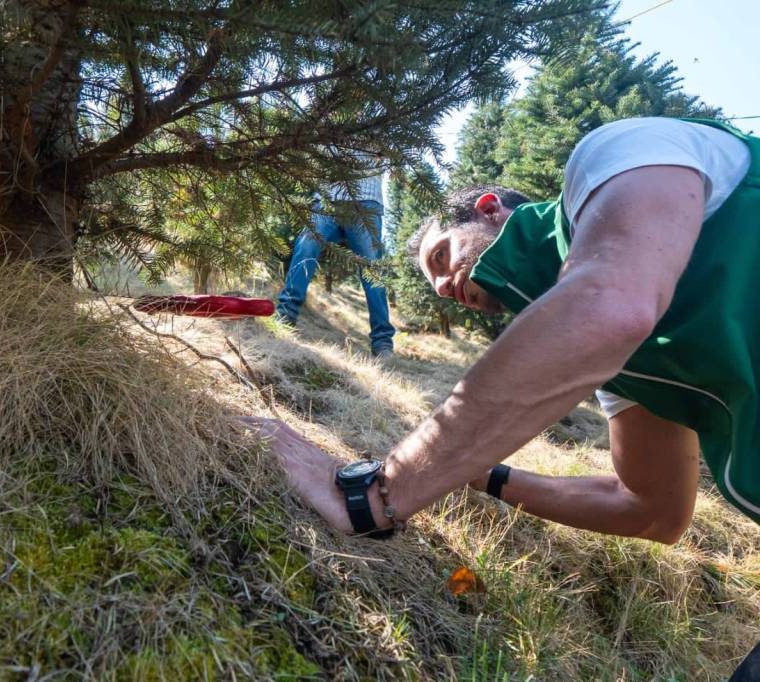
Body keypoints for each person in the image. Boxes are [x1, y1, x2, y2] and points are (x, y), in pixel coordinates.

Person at [255, 117, 760, 679]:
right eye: (436, 286)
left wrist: (378, 494)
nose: (447, 289)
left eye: (442, 258)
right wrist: (484, 474)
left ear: (490, 207)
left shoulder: (617, 152)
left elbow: (607, 308)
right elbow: (653, 511)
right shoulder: (621, 367)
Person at [275, 151, 395, 357]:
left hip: (365, 201)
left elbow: (391, 156)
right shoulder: (327, 119)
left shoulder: (377, 122)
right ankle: (285, 315)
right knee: (305, 247)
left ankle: (382, 342)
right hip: (327, 199)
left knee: (371, 271)